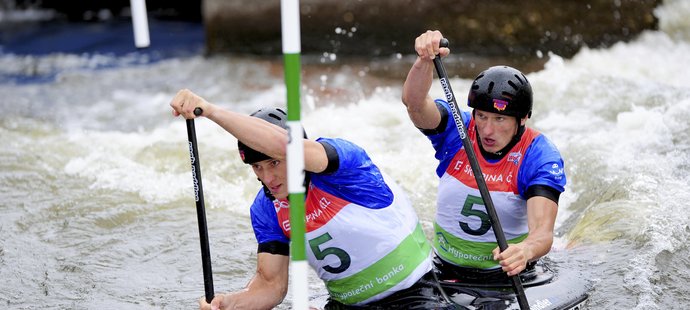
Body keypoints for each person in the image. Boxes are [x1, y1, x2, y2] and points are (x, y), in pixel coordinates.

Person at [170, 89, 457, 310]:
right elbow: (271, 286)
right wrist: (227, 304)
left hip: (417, 293)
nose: (267, 177)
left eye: (274, 163)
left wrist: (210, 111)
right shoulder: (266, 207)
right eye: (257, 168)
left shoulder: (343, 164)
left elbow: (283, 145)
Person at [401, 30, 566, 282]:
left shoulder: (538, 155)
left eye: (499, 119)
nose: (487, 130)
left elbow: (542, 234)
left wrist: (524, 251)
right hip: (443, 268)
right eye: (482, 116)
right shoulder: (457, 129)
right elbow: (414, 103)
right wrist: (424, 60)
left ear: (522, 119)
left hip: (502, 276)